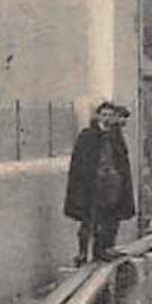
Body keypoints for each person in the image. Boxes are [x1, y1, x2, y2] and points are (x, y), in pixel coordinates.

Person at [64, 101, 136, 265]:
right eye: (104, 115)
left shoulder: (116, 137)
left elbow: (122, 162)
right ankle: (82, 253)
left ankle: (104, 249)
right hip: (93, 185)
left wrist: (120, 180)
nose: (107, 118)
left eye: (110, 115)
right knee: (88, 220)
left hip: (113, 185)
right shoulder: (87, 135)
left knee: (111, 219)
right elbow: (79, 162)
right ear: (97, 116)